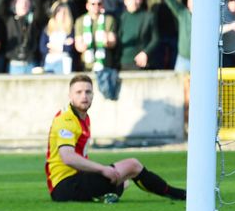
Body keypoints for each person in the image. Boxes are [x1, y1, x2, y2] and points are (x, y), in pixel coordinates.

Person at [45, 74, 186, 203]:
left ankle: (105, 194)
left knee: (123, 180)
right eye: (79, 92)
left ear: (93, 95)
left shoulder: (83, 117)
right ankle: (178, 193)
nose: (84, 96)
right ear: (70, 96)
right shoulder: (66, 119)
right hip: (64, 186)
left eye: (88, 92)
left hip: (73, 182)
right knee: (132, 165)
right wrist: (102, 169)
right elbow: (68, 157)